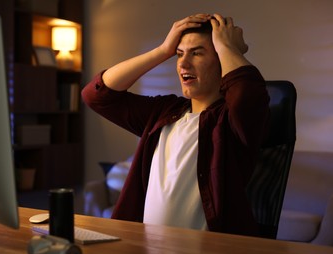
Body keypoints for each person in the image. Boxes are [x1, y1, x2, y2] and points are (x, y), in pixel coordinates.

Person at [82, 13, 270, 237]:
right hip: (146, 248)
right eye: (179, 54)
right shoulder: (164, 112)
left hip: (208, 252)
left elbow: (248, 96)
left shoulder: (230, 121)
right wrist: (163, 50)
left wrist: (229, 48)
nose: (183, 63)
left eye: (197, 53)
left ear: (222, 58)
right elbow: (97, 96)